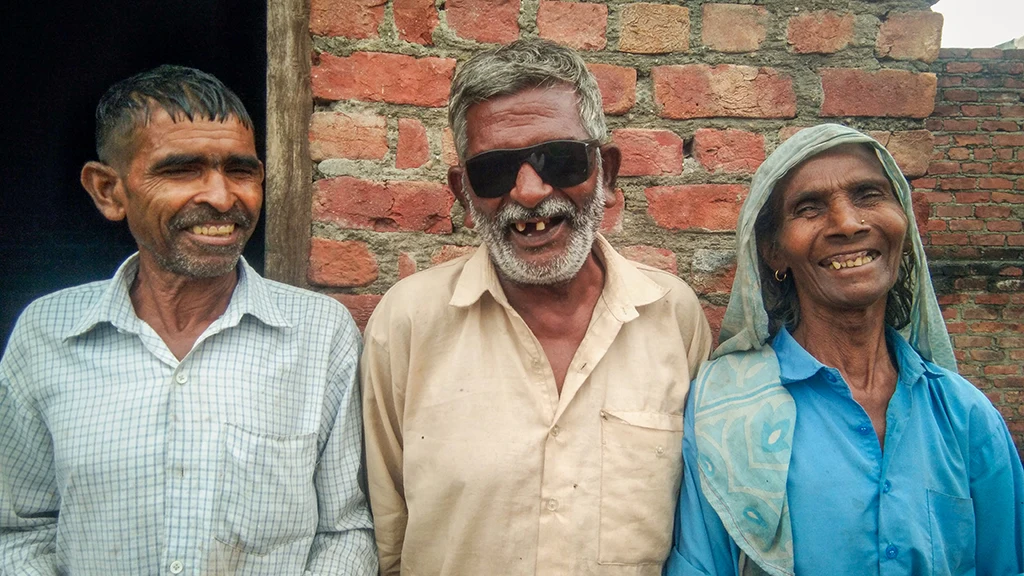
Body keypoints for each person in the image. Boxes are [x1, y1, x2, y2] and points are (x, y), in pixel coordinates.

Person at [0, 65, 378, 574]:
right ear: (108, 191)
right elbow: (20, 531)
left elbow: (346, 531)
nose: (222, 198)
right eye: (181, 170)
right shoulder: (46, 334)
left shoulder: (319, 333)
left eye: (241, 171)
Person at [360, 38, 713, 575]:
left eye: (559, 159)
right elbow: (387, 541)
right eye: (495, 171)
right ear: (462, 192)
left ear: (607, 173)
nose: (528, 192)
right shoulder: (407, 323)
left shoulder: (673, 316)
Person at [665, 123, 1024, 576]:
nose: (848, 224)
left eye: (869, 195)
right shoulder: (722, 408)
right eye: (809, 208)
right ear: (774, 252)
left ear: (904, 225)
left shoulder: (965, 417)